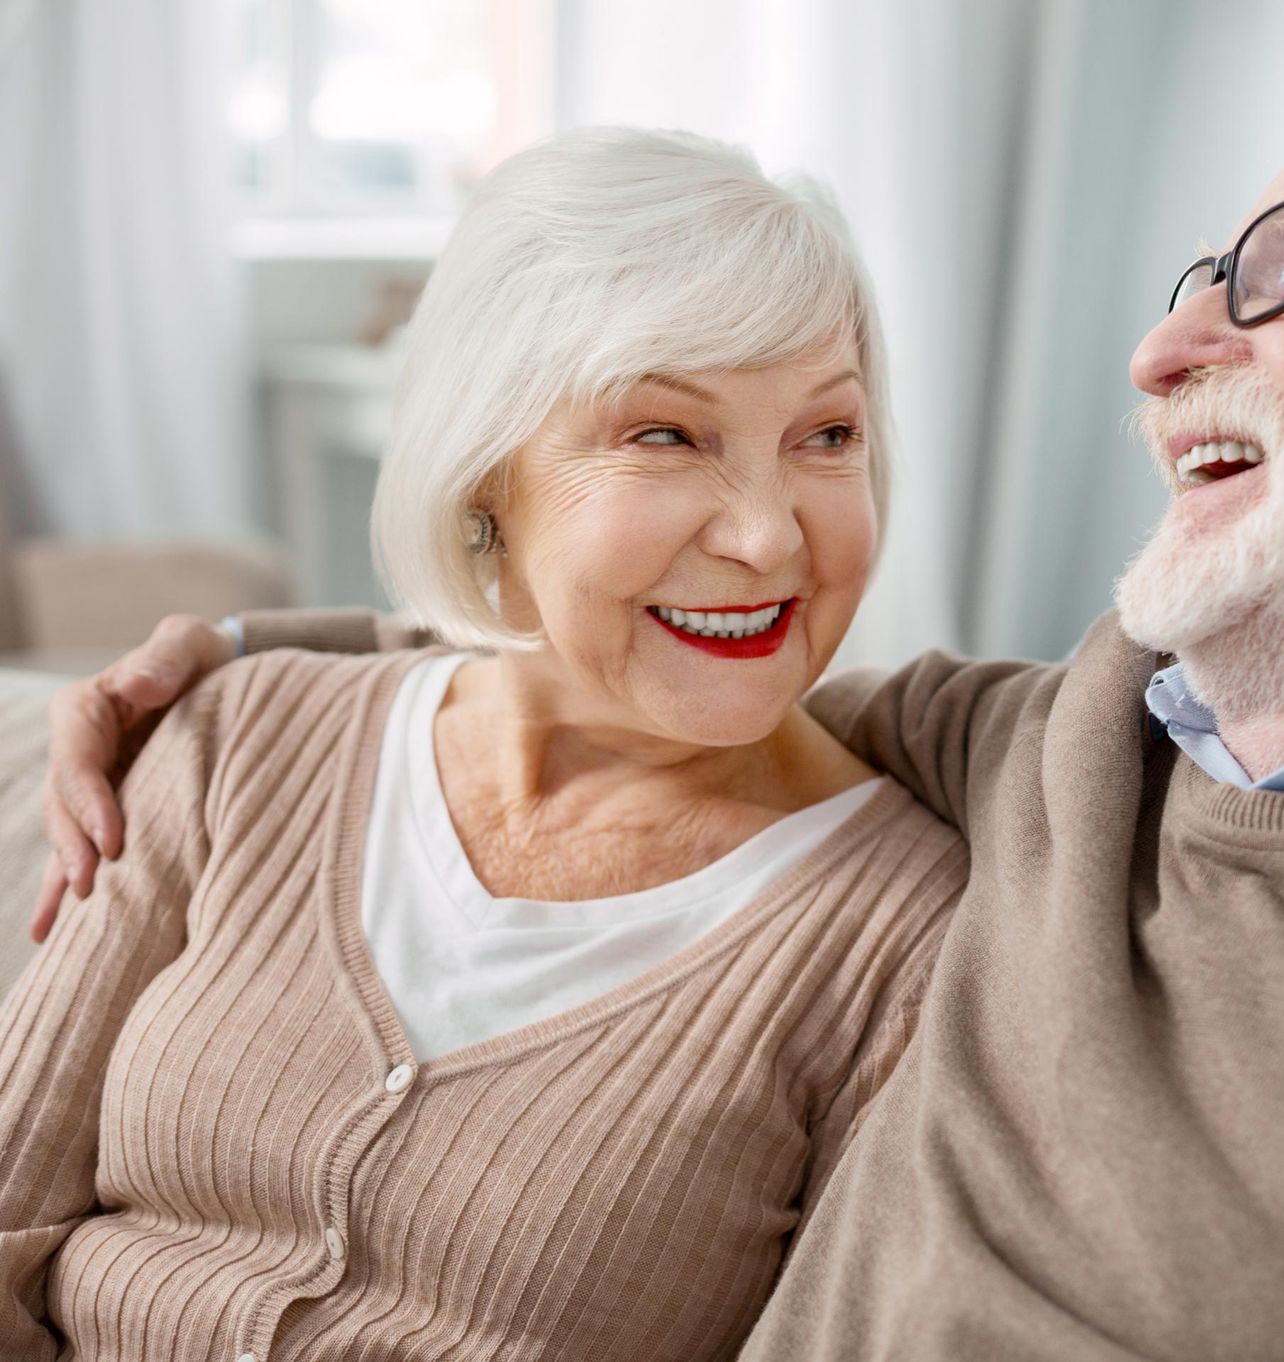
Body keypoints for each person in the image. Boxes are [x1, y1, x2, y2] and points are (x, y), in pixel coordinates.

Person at [34, 76, 1284, 1360]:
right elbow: (638, 662)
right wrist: (229, 675)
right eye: (1196, 286)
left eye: (1280, 276)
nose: (1165, 349)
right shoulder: (1053, 742)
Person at [0, 127, 968, 1360]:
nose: (772, 539)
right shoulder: (234, 737)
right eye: (667, 435)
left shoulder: (908, 939)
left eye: (827, 437)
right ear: (484, 480)